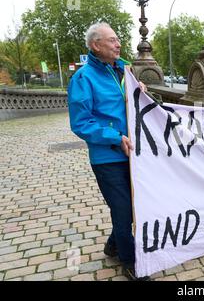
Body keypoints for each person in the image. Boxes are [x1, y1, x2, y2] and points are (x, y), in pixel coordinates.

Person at [68, 22, 148, 281]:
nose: (118, 44)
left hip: (133, 152)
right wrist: (115, 137)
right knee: (122, 209)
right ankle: (130, 261)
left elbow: (129, 105)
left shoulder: (125, 70)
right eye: (112, 40)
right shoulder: (83, 78)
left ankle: (113, 245)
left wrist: (139, 92)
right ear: (96, 45)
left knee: (133, 206)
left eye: (118, 39)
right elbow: (81, 123)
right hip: (107, 157)